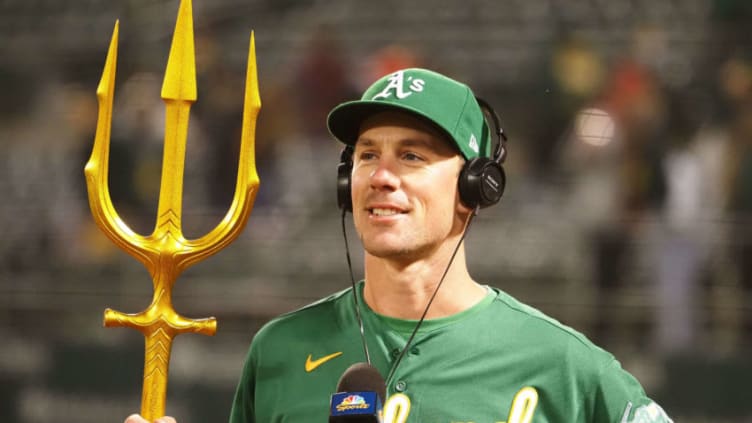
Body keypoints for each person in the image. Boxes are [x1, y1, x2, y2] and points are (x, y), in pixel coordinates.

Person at [126, 68, 673, 422]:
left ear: (475, 187)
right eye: (367, 155)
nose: (381, 176)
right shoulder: (278, 350)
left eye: (412, 156)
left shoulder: (562, 366)